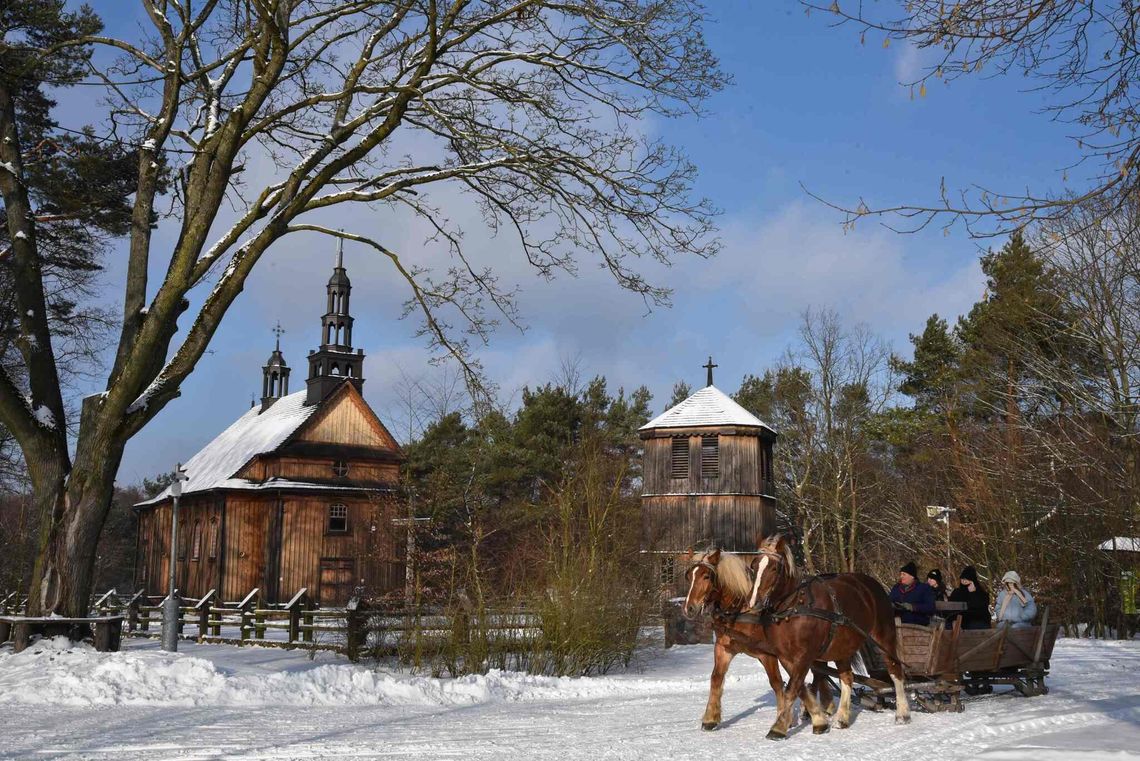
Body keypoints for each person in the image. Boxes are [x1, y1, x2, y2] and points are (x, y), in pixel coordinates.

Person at [889, 561, 936, 626]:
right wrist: (892, 605)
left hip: (917, 624)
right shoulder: (896, 588)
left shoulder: (924, 588)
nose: (901, 576)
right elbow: (890, 600)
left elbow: (931, 607)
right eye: (901, 574)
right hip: (896, 623)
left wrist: (912, 607)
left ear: (912, 576)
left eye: (904, 574)